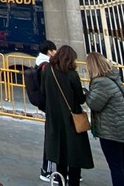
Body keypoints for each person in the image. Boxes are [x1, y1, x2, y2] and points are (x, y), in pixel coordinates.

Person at [41, 45, 93, 186]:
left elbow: (43, 92)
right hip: (71, 119)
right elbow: (80, 99)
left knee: (60, 155)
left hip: (54, 119)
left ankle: (61, 180)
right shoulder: (72, 75)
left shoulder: (48, 72)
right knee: (74, 157)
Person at [85, 52, 124, 186]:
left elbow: (95, 104)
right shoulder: (114, 78)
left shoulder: (101, 82)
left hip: (112, 130)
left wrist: (86, 94)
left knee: (116, 167)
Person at [34, 40, 57, 182]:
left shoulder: (43, 64)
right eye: (55, 50)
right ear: (49, 51)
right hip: (53, 106)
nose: (56, 52)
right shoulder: (46, 66)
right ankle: (47, 169)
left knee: (54, 136)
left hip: (51, 106)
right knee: (52, 137)